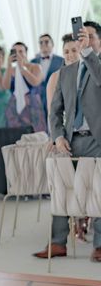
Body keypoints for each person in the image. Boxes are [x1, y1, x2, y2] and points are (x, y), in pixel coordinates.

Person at [34, 21, 101, 262]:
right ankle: (58, 242)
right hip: (70, 141)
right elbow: (55, 111)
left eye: (91, 37)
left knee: (98, 189)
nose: (87, 41)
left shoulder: (98, 65)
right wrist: (59, 136)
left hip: (97, 141)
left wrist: (87, 54)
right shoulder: (65, 73)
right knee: (60, 187)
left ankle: (100, 245)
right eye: (84, 36)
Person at [2, 42, 46, 132]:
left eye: (21, 51)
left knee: (35, 135)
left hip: (33, 106)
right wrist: (9, 65)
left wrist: (22, 68)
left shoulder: (36, 67)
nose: (18, 54)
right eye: (15, 51)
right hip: (14, 107)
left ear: (26, 53)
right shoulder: (12, 70)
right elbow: (5, 86)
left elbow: (35, 82)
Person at [31, 33, 65, 118]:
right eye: (41, 42)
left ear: (52, 44)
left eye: (46, 42)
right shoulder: (32, 62)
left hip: (56, 98)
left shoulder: (61, 60)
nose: (43, 44)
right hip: (37, 100)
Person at [46, 34, 80, 115]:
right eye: (66, 52)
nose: (70, 55)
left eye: (74, 50)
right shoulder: (55, 77)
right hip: (65, 125)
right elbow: (52, 113)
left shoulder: (89, 73)